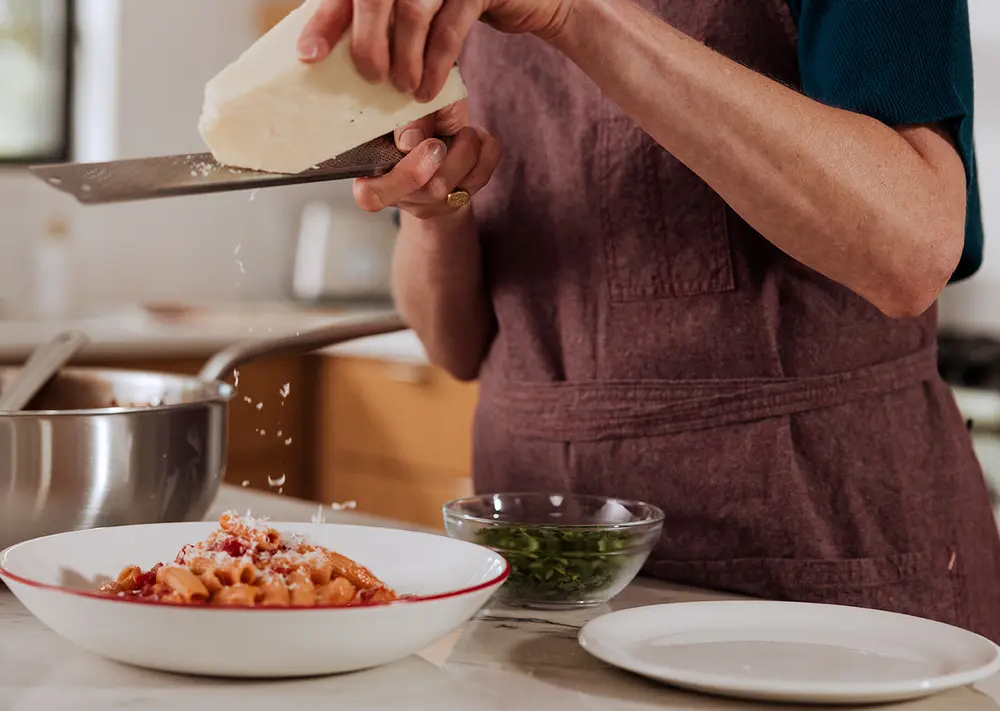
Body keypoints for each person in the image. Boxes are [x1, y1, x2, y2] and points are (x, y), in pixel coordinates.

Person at [297, 0, 1000, 640]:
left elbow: (911, 251)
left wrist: (574, 16)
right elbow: (454, 344)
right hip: (539, 583)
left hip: (820, 570)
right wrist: (432, 210)